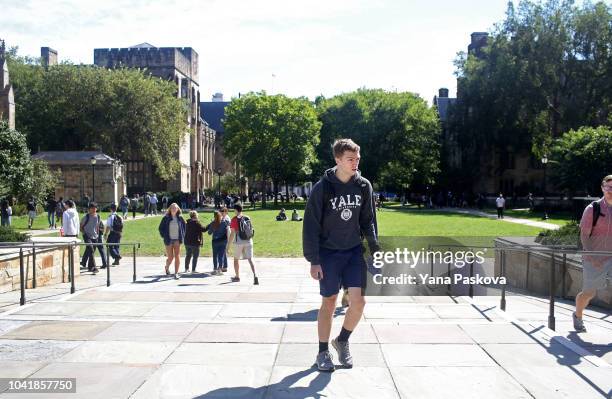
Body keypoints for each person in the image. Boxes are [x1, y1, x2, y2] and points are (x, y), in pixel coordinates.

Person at [303, 138, 379, 372]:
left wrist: (375, 250)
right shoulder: (323, 187)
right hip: (328, 254)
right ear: (337, 160)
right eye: (350, 159)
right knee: (329, 301)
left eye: (357, 159)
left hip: (354, 251)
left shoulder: (363, 185)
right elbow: (311, 225)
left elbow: (368, 221)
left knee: (358, 303)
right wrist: (314, 260)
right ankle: (322, 351)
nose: (355, 163)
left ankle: (342, 340)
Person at [573, 175, 612, 333]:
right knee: (589, 293)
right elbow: (584, 235)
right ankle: (578, 315)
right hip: (594, 258)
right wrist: (594, 257)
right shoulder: (593, 209)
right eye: (608, 187)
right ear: (602, 188)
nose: (611, 190)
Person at [227, 202, 258, 284]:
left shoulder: (234, 219)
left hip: (239, 242)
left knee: (236, 259)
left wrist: (228, 246)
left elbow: (232, 234)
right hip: (248, 240)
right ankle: (255, 275)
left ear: (236, 210)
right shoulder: (247, 217)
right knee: (250, 259)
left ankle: (237, 277)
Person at [158, 203, 186, 279]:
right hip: (168, 239)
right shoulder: (166, 218)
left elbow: (184, 227)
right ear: (170, 209)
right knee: (170, 257)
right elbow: (160, 228)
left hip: (177, 239)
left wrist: (182, 236)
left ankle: (176, 273)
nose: (174, 209)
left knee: (177, 256)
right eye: (172, 208)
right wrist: (164, 236)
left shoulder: (180, 218)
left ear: (178, 209)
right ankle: (167, 267)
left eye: (175, 208)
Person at [80, 202, 102, 274]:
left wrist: (98, 235)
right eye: (92, 208)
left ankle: (89, 266)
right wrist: (84, 233)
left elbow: (97, 226)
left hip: (95, 236)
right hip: (87, 236)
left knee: (90, 251)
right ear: (89, 209)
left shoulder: (98, 217)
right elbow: (81, 226)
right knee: (91, 249)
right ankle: (94, 268)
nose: (93, 210)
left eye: (95, 208)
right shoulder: (86, 217)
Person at [208, 210, 231, 275]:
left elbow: (209, 233)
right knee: (221, 255)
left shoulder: (213, 223)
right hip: (223, 241)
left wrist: (211, 225)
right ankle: (220, 269)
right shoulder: (224, 222)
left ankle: (215, 269)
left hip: (215, 241)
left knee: (215, 255)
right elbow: (228, 229)